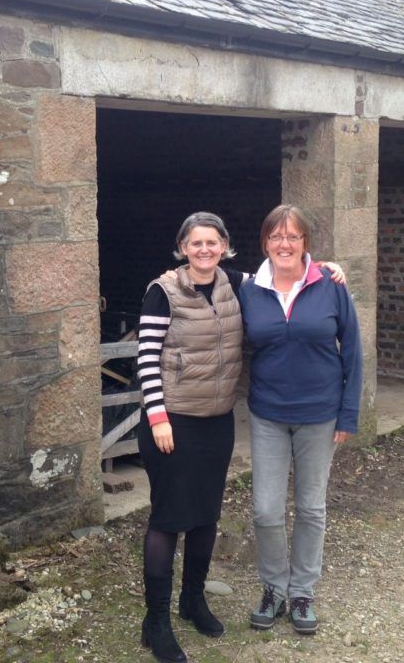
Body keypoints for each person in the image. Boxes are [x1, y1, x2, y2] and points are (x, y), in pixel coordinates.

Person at [238, 204, 362, 636]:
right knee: (266, 509)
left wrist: (349, 412)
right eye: (276, 236)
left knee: (311, 507)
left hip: (319, 414)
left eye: (292, 236)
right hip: (268, 413)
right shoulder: (249, 289)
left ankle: (303, 591)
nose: (284, 244)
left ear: (306, 242)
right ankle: (273, 588)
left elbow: (353, 350)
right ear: (265, 242)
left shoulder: (329, 284)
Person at [135, 212, 243, 663]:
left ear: (224, 246)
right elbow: (146, 358)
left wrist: (325, 268)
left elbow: (286, 272)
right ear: (182, 247)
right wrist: (158, 417)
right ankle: (155, 621)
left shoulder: (236, 283)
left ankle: (192, 599)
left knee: (205, 516)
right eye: (195, 243)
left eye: (212, 243)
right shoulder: (163, 292)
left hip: (217, 420)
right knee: (168, 519)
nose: (204, 250)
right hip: (173, 422)